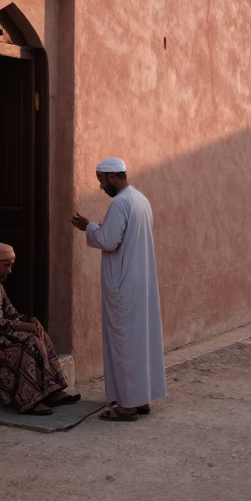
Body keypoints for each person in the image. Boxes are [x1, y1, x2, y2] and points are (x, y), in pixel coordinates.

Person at [71, 159, 166, 421]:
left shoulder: (121, 203)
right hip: (139, 282)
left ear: (114, 176)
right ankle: (140, 399)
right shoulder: (140, 200)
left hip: (123, 284)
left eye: (102, 180)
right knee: (139, 341)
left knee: (124, 341)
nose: (101, 186)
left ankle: (127, 406)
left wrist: (89, 227)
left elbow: (110, 241)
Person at [0, 243, 79, 415]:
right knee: (27, 341)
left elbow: (11, 313)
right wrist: (21, 326)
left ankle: (51, 390)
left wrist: (29, 320)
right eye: (6, 265)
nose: (10, 270)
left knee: (39, 334)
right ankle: (29, 399)